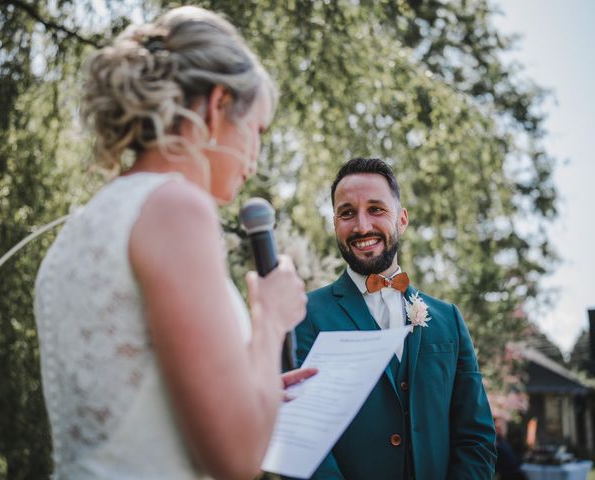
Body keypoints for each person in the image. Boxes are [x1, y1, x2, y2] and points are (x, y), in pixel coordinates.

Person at [34, 6, 313, 480]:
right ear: (217, 104)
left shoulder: (85, 222)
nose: (256, 155)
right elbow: (236, 460)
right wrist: (271, 320)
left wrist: (256, 382)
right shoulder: (177, 209)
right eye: (258, 130)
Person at [294, 157, 497, 479]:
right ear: (335, 224)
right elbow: (302, 439)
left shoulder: (449, 320)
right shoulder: (304, 315)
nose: (362, 226)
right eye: (347, 213)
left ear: (402, 220)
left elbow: (476, 436)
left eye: (376, 209)